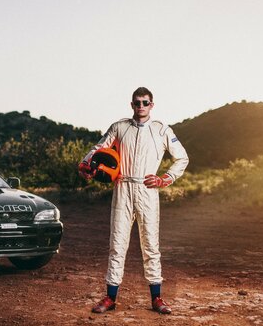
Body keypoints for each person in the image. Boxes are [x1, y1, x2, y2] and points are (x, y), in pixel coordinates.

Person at [78, 87, 189, 314]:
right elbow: (99, 148)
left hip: (147, 189)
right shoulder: (119, 127)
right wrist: (85, 164)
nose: (141, 106)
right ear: (131, 105)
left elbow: (182, 157)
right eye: (137, 103)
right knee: (117, 244)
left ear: (152, 105)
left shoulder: (161, 130)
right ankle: (110, 299)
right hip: (123, 187)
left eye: (145, 102)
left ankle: (157, 299)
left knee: (150, 245)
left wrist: (165, 178)